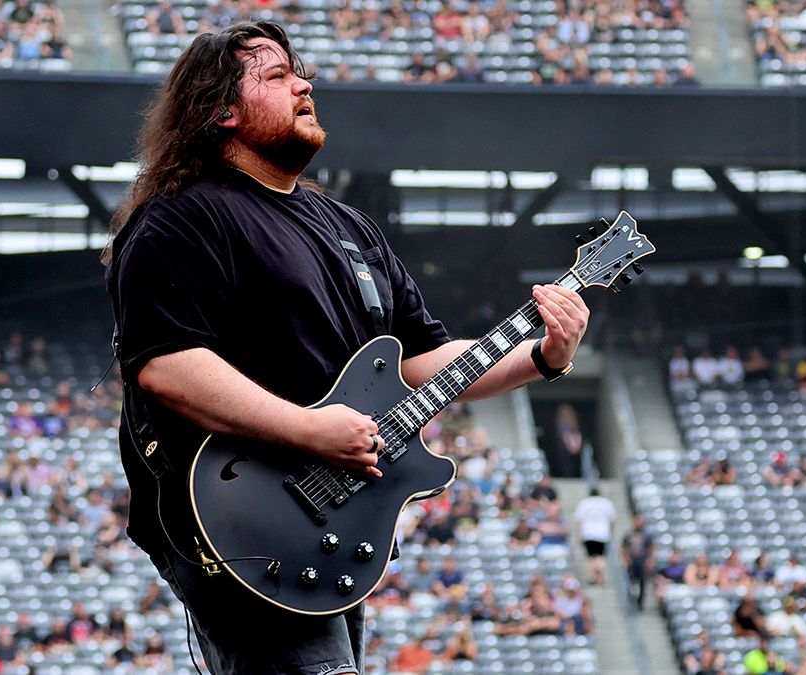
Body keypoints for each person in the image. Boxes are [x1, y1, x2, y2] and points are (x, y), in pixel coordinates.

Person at [105, 20, 591, 675]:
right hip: (249, 514)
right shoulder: (183, 216)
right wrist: (309, 430)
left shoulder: (350, 230)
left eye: (299, 72)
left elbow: (423, 362)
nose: (305, 83)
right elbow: (167, 364)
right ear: (221, 110)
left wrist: (544, 356)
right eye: (276, 76)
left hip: (328, 521)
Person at [573, 488, 615, 585]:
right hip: (603, 534)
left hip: (588, 533)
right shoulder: (606, 503)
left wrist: (579, 535)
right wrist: (610, 531)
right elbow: (612, 520)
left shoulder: (584, 503)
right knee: (601, 556)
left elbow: (578, 521)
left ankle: (594, 576)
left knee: (590, 557)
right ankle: (599, 574)